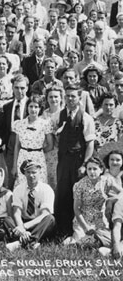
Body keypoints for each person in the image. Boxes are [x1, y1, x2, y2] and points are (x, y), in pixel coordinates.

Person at [55, 84, 98, 236]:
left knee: (77, 195)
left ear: (79, 98)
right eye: (67, 96)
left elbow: (90, 144)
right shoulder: (59, 115)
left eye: (73, 96)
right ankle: (62, 230)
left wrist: (84, 164)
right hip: (63, 161)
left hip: (78, 161)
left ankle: (79, 231)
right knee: (63, 193)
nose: (70, 99)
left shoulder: (86, 118)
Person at [63, 157, 120, 249]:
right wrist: (85, 228)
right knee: (80, 242)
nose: (92, 172)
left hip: (100, 220)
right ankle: (73, 240)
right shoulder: (79, 185)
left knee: (106, 241)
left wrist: (111, 200)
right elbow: (76, 210)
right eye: (89, 169)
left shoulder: (106, 181)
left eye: (95, 169)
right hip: (83, 220)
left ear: (101, 170)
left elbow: (121, 192)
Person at [6, 159, 56, 251]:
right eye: (28, 172)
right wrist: (22, 229)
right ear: (24, 173)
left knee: (50, 219)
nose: (31, 175)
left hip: (39, 223)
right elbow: (16, 212)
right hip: (23, 221)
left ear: (40, 172)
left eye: (34, 172)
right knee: (7, 220)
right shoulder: (18, 189)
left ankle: (22, 242)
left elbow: (44, 214)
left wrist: (24, 227)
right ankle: (31, 242)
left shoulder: (46, 189)